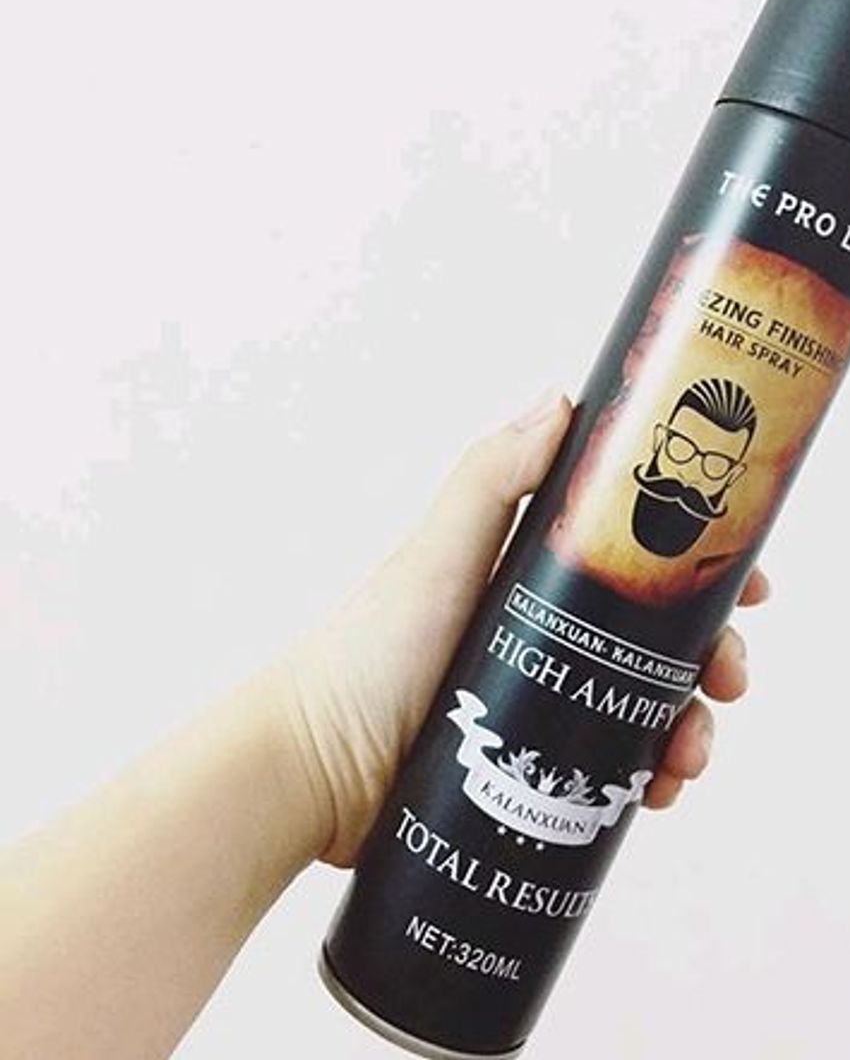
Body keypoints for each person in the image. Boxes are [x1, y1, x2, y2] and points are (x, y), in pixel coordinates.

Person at [0, 388, 766, 1059]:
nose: (687, 479)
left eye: (713, 469)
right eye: (681, 452)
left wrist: (319, 754)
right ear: (657, 441)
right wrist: (318, 745)